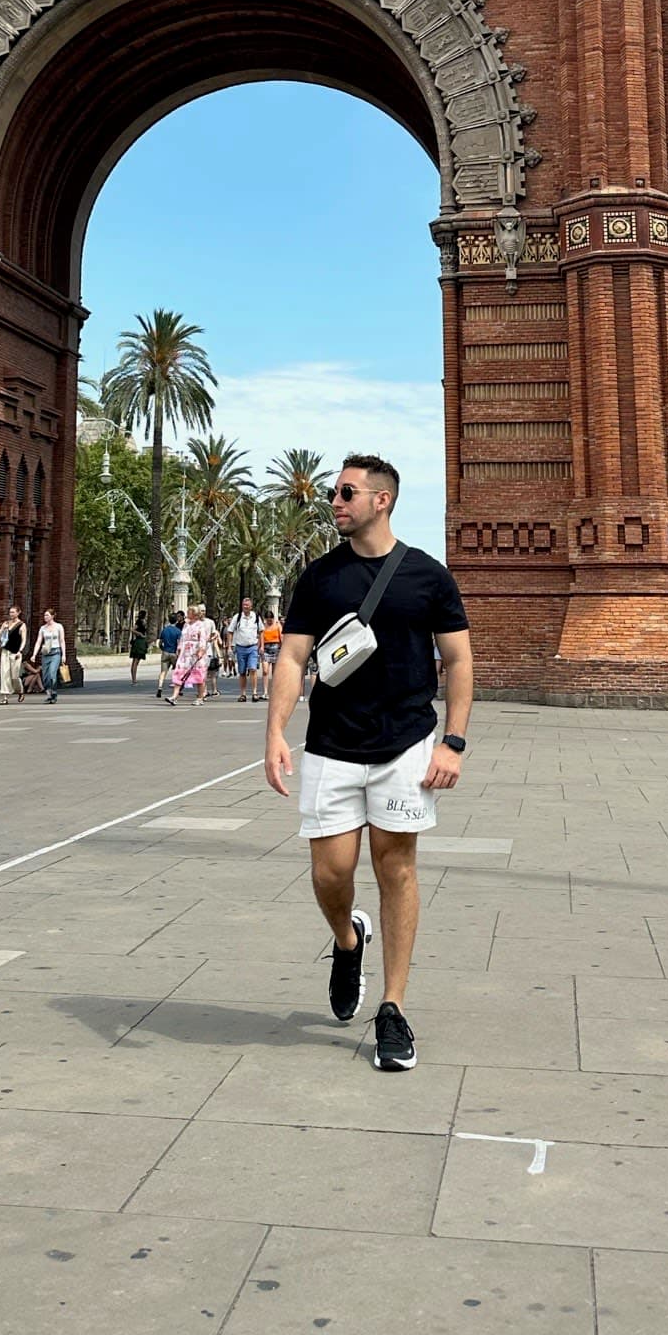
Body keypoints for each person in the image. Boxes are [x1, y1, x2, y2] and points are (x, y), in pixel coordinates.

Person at [265, 455, 472, 1073]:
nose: (335, 501)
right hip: (330, 744)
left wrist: (452, 742)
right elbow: (292, 659)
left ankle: (392, 1008)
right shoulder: (319, 577)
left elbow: (458, 663)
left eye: (346, 492)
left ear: (381, 500)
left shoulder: (428, 577)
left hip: (406, 744)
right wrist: (275, 731)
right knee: (331, 875)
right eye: (335, 492)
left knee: (396, 870)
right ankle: (347, 940)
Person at [167, 604, 213, 706]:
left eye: (189, 612)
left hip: (195, 652)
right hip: (185, 653)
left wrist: (201, 650)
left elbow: (203, 639)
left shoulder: (201, 625)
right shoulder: (186, 625)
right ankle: (174, 696)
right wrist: (179, 649)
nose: (187, 614)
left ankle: (200, 697)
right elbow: (182, 638)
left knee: (198, 675)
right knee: (179, 673)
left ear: (195, 615)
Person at [231, 596, 265, 704]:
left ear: (251, 606)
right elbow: (230, 631)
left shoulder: (256, 617)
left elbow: (262, 631)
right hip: (240, 647)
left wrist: (262, 646)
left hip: (252, 647)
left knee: (253, 669)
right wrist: (229, 646)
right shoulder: (237, 617)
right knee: (242, 672)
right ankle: (243, 694)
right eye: (244, 605)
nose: (245, 607)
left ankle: (254, 692)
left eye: (247, 605)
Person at [0, 605, 27, 705]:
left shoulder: (21, 625)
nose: (11, 614)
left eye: (13, 612)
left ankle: (20, 691)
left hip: (16, 653)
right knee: (4, 673)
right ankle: (5, 696)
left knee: (14, 676)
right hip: (6, 651)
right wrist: (2, 629)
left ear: (18, 613)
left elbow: (23, 640)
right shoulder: (6, 623)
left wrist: (20, 651)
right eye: (10, 612)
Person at [35, 609, 67, 702]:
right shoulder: (43, 628)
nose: (45, 617)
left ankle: (54, 693)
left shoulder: (59, 627)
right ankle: (49, 694)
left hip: (55, 652)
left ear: (52, 616)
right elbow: (39, 641)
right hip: (45, 653)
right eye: (45, 615)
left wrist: (64, 654)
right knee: (45, 676)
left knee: (52, 673)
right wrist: (34, 654)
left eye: (47, 615)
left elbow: (62, 640)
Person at [157, 611, 183, 698]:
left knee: (163, 671)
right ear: (176, 621)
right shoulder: (178, 631)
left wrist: (162, 649)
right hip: (174, 653)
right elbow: (179, 643)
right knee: (176, 671)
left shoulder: (164, 630)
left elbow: (160, 642)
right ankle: (177, 689)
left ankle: (160, 687)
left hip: (165, 652)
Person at [129, 614, 149, 688]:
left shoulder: (144, 622)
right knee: (135, 661)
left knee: (136, 661)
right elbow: (132, 629)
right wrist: (139, 634)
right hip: (139, 642)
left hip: (142, 642)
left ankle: (134, 679)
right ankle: (134, 680)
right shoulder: (139, 622)